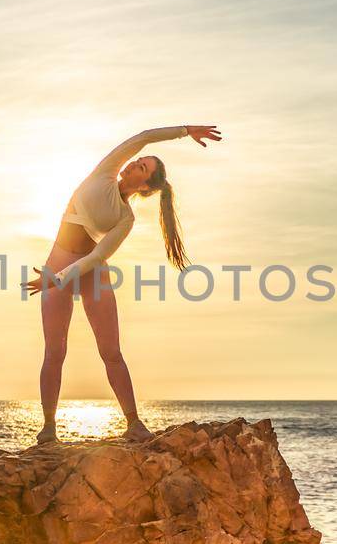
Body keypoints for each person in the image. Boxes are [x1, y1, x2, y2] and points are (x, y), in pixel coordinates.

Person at [23, 124, 222, 444]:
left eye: (141, 168)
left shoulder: (125, 219)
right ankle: (48, 428)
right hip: (59, 262)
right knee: (55, 351)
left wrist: (58, 278)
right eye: (138, 161)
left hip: (87, 272)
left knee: (111, 352)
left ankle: (134, 424)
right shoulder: (103, 173)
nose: (133, 163)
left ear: (144, 186)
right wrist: (185, 131)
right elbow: (142, 137)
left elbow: (97, 256)